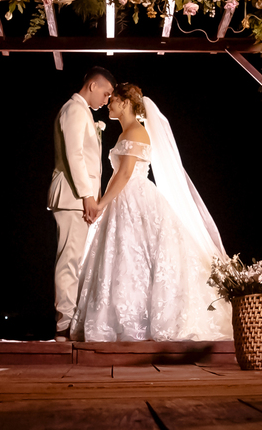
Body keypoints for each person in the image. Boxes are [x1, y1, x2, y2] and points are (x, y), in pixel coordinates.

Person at [69, 82, 232, 342]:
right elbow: (118, 175)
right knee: (124, 258)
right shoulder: (128, 132)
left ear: (123, 103)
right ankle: (125, 320)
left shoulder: (134, 131)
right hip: (124, 197)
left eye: (112, 99)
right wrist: (103, 202)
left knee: (132, 256)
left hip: (134, 196)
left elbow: (124, 174)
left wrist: (100, 204)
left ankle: (135, 322)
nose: (108, 103)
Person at [48, 66, 115, 342]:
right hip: (72, 196)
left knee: (76, 261)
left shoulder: (84, 112)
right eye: (106, 93)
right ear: (92, 86)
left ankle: (72, 321)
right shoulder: (74, 109)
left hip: (80, 198)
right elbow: (74, 155)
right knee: (69, 260)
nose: (107, 100)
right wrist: (88, 195)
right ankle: (64, 323)